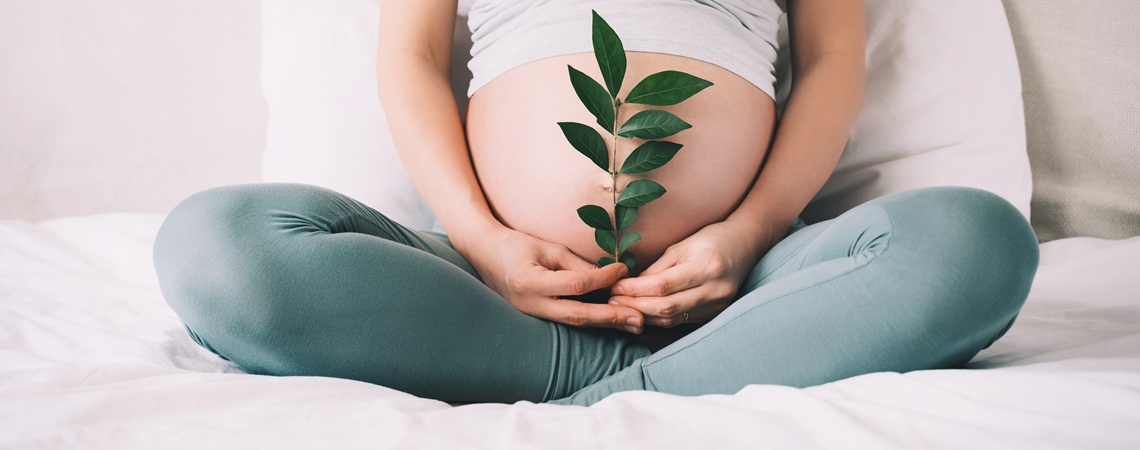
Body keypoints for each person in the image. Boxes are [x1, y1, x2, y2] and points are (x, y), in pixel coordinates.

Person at [152, 0, 1039, 406]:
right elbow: (409, 61)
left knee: (977, 241)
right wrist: (485, 242)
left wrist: (749, 232)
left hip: (748, 284)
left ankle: (619, 381)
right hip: (490, 284)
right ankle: (593, 377)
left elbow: (835, 62)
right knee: (215, 245)